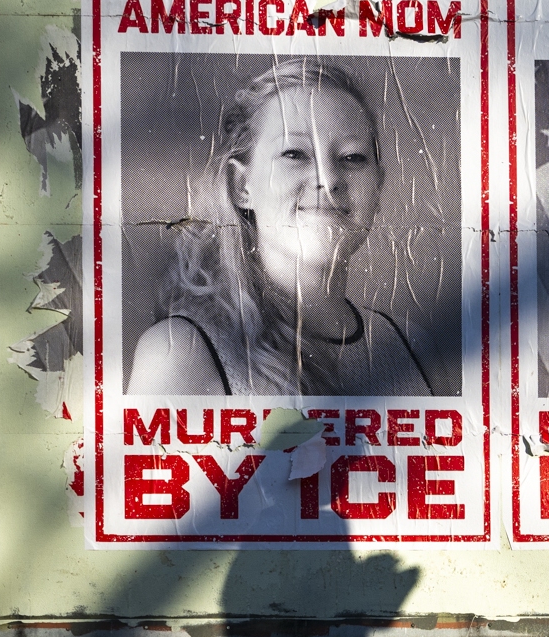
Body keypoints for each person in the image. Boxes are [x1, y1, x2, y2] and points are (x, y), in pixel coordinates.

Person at [129, 59, 434, 397]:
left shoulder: (413, 346)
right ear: (242, 186)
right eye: (294, 153)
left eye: (352, 157)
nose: (328, 180)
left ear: (378, 187)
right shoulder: (180, 355)